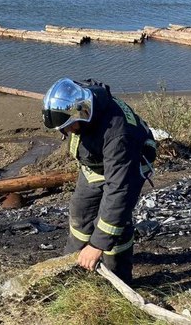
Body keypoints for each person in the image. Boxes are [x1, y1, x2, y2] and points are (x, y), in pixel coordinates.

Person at [42, 78, 156, 283]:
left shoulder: (118, 136)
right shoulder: (84, 97)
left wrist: (97, 246)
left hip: (129, 167)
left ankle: (117, 278)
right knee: (80, 213)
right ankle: (74, 265)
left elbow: (120, 192)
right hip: (95, 165)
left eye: (68, 127)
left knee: (115, 223)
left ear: (81, 112)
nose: (67, 132)